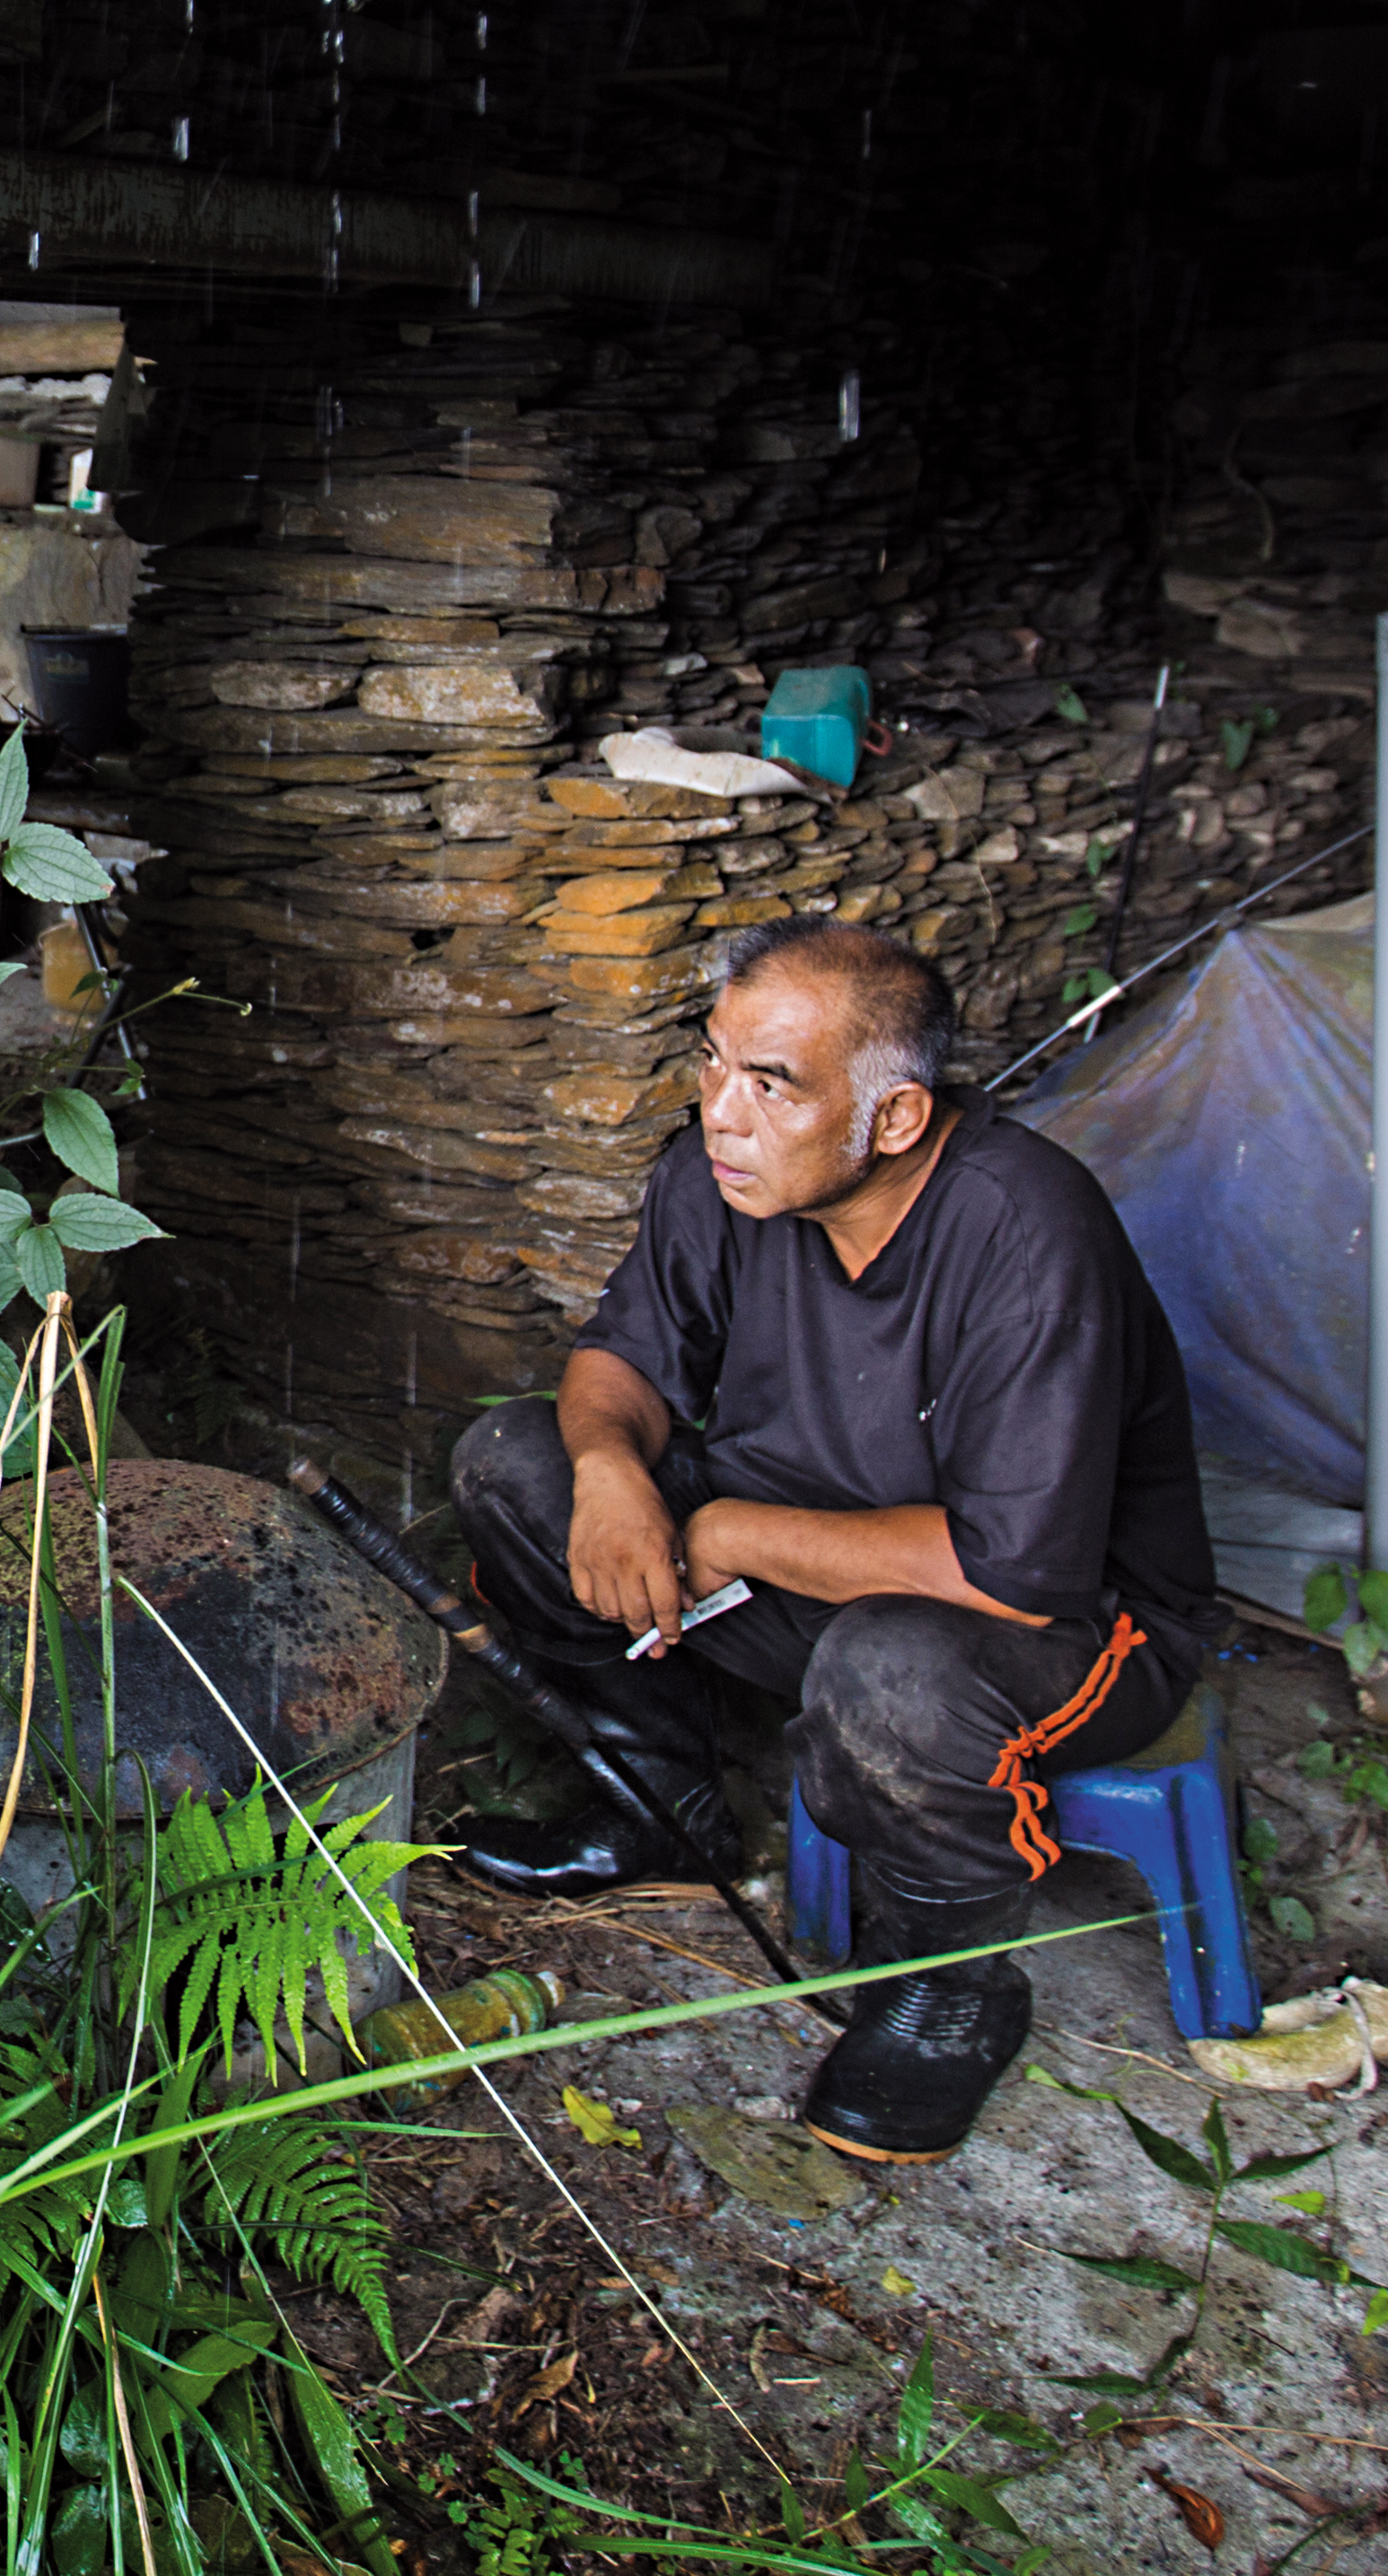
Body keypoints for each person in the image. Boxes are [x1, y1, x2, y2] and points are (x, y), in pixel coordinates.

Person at [444, 913, 1219, 2165]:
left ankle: (955, 1982)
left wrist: (732, 1531)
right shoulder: (720, 1177)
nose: (722, 1112)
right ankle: (658, 1803)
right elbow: (619, 1363)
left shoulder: (1027, 1234)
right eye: (713, 1062)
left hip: (1071, 1632)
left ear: (896, 1121)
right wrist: (607, 1469)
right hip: (802, 1573)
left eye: (771, 1084)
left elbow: (1010, 1575)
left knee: (892, 1670)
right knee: (517, 1464)